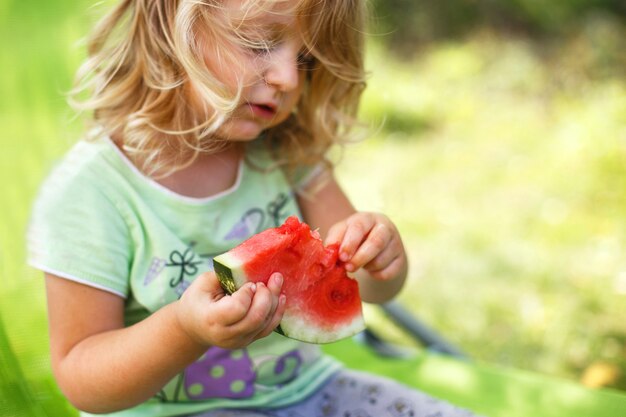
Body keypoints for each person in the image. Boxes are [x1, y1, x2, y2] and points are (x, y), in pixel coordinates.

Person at [28, 1, 479, 416]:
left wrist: (380, 259)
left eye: (307, 60)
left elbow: (362, 288)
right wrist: (185, 330)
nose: (289, 78)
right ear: (169, 22)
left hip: (308, 392)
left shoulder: (288, 153)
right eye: (259, 42)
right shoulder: (91, 193)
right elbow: (81, 379)